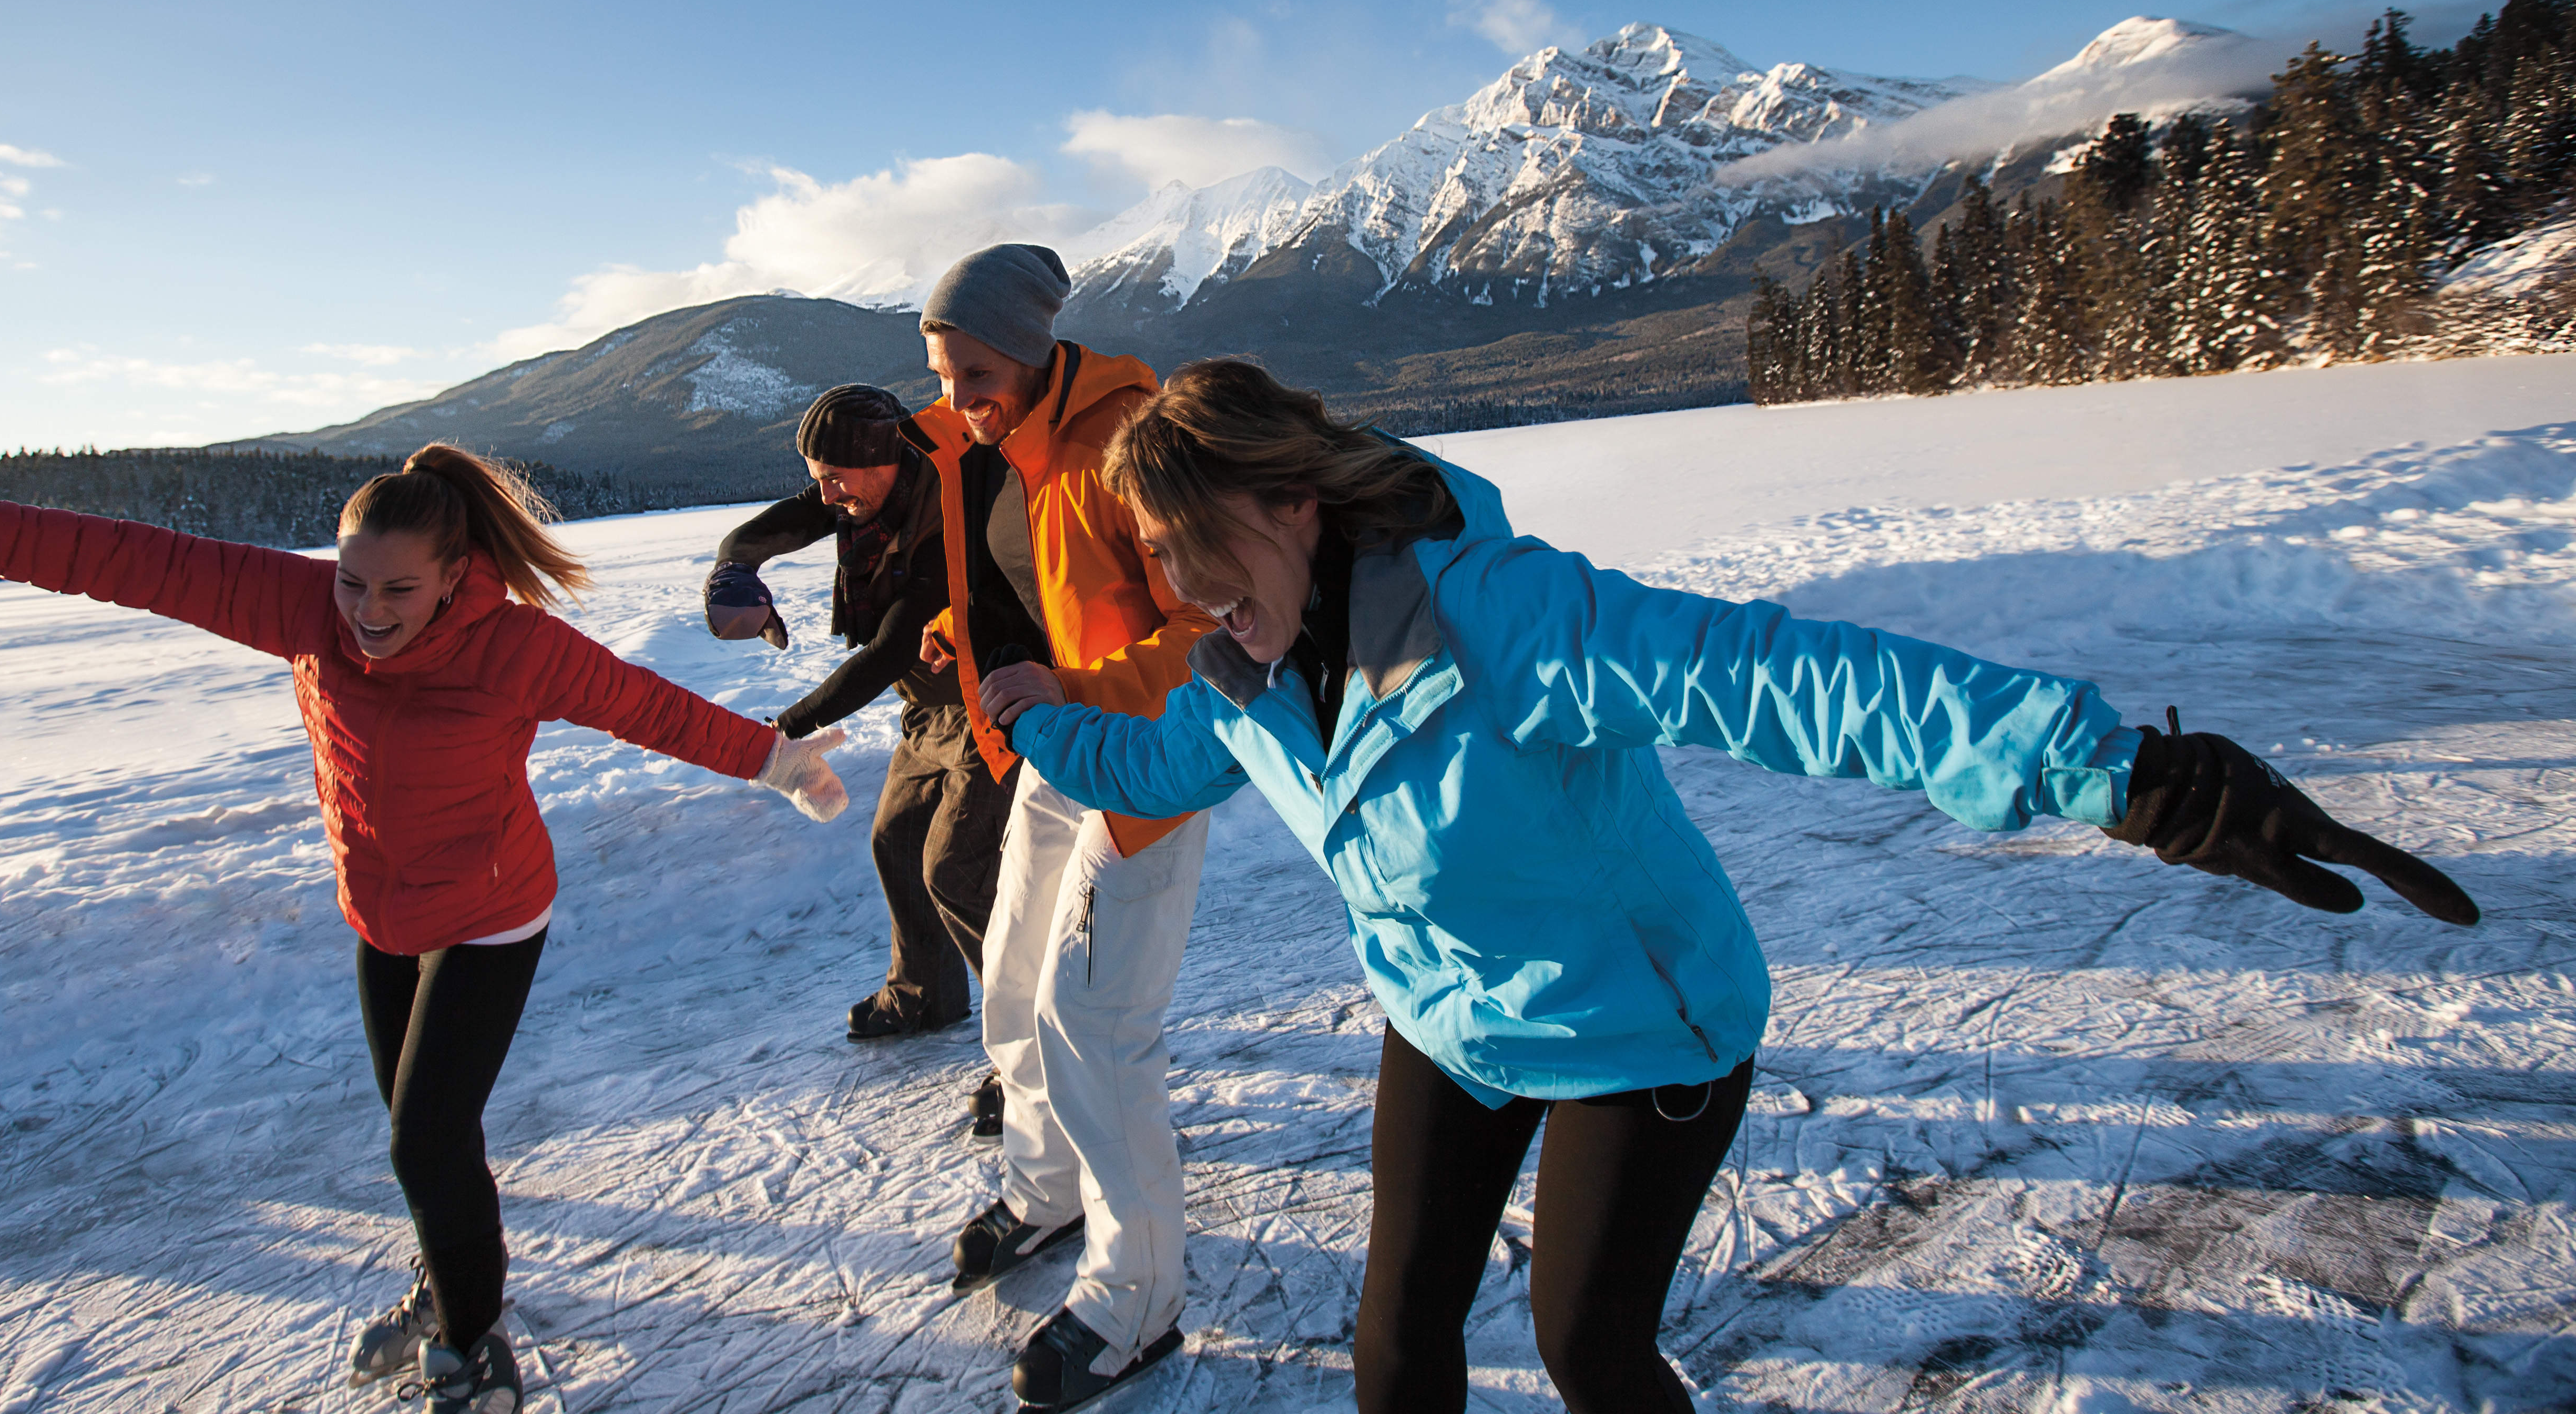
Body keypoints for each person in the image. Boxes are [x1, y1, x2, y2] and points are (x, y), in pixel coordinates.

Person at [979, 358, 2482, 1414]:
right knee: (1395, 1355)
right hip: (1451, 1024)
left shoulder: (1506, 617)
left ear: (1294, 502)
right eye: (1157, 560)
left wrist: (2125, 777)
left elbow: (1788, 681)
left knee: (1589, 1353)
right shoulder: (1244, 680)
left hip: (1649, 1035)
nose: (1181, 590)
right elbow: (1153, 771)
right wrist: (1027, 707)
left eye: (1195, 547)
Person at [0, 447, 852, 1414]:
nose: (366, 612)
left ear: (456, 576)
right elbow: (110, 554)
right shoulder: (300, 606)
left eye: (397, 592)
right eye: (353, 582)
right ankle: (446, 1272)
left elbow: (647, 707)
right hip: (382, 912)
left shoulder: (515, 647)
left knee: (425, 1139)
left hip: (494, 916)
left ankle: (474, 1342)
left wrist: (780, 760)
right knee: (423, 1138)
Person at [905, 243, 1217, 1411]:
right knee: (1011, 988)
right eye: (941, 375)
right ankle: (1046, 1191)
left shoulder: (1132, 443)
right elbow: (1046, 583)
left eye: (973, 373)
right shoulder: (1014, 446)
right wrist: (964, 629)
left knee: (1095, 1026)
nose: (954, 400)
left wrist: (1073, 693)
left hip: (1144, 769)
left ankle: (1137, 1299)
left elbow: (1213, 629)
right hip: (1059, 747)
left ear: (1034, 356)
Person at [706, 384, 1014, 1089]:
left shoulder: (947, 517)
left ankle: (1032, 1045)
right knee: (896, 842)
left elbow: (890, 652)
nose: (826, 495)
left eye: (835, 478)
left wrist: (783, 730)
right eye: (817, 480)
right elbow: (756, 535)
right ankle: (926, 993)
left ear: (880, 461)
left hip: (988, 705)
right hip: (929, 712)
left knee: (955, 870)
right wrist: (734, 575)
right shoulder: (865, 495)